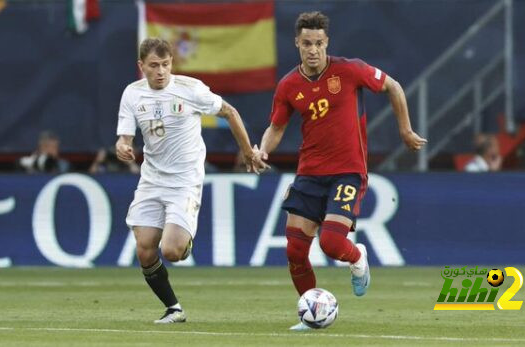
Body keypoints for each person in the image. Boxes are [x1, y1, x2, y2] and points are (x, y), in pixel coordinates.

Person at [255, 11, 427, 330]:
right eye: (307, 43)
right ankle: (313, 315)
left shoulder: (350, 70)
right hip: (309, 174)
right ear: (297, 43)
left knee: (332, 244)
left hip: (347, 171)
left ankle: (357, 257)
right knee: (294, 251)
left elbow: (393, 86)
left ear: (327, 42)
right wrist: (262, 149)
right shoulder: (289, 85)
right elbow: (276, 128)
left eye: (318, 43)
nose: (313, 49)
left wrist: (405, 130)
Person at [115, 37, 268, 324]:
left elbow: (229, 112)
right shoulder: (132, 94)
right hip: (151, 180)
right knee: (144, 247)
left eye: (165, 64)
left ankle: (184, 240)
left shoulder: (190, 89)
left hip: (184, 181)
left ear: (172, 62)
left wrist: (248, 152)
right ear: (141, 66)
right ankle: (174, 309)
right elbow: (124, 137)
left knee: (172, 251)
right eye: (153, 65)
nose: (160, 71)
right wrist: (123, 146)